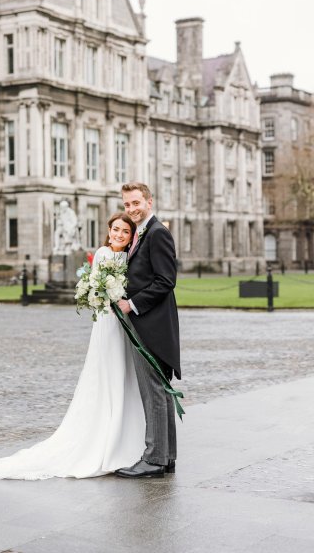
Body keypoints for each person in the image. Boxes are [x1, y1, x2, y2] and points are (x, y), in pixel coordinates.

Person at [0, 213, 145, 480]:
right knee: (108, 375)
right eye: (116, 229)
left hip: (126, 322)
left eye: (125, 231)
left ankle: (125, 436)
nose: (120, 234)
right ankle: (107, 441)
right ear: (108, 231)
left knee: (126, 377)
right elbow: (97, 292)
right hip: (108, 324)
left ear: (131, 236)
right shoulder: (101, 254)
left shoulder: (130, 257)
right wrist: (104, 297)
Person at [115, 182, 181, 479]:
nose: (131, 209)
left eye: (136, 203)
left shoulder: (157, 233)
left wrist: (132, 305)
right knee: (160, 391)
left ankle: (154, 458)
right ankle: (166, 457)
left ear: (149, 202)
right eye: (127, 205)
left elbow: (166, 281)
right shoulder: (142, 233)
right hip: (149, 322)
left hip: (151, 324)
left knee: (153, 390)